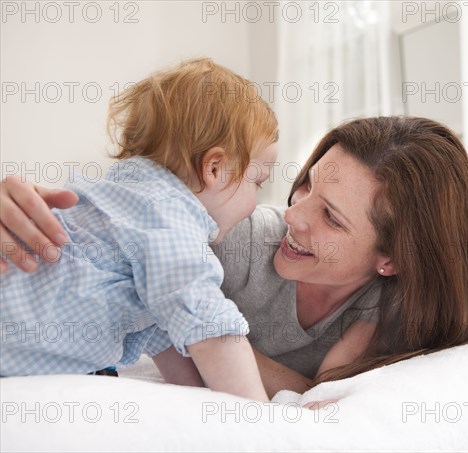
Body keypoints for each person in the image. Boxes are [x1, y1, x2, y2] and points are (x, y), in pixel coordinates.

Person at [0, 116, 468, 398]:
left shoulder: (398, 309)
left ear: (393, 259)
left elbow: (325, 392)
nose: (294, 214)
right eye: (305, 185)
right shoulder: (230, 240)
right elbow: (108, 234)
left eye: (332, 218)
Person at [0, 58, 280, 402]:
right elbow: (208, 324)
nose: (256, 202)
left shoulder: (129, 211)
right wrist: (262, 416)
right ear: (215, 167)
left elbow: (176, 351)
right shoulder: (167, 209)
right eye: (258, 182)